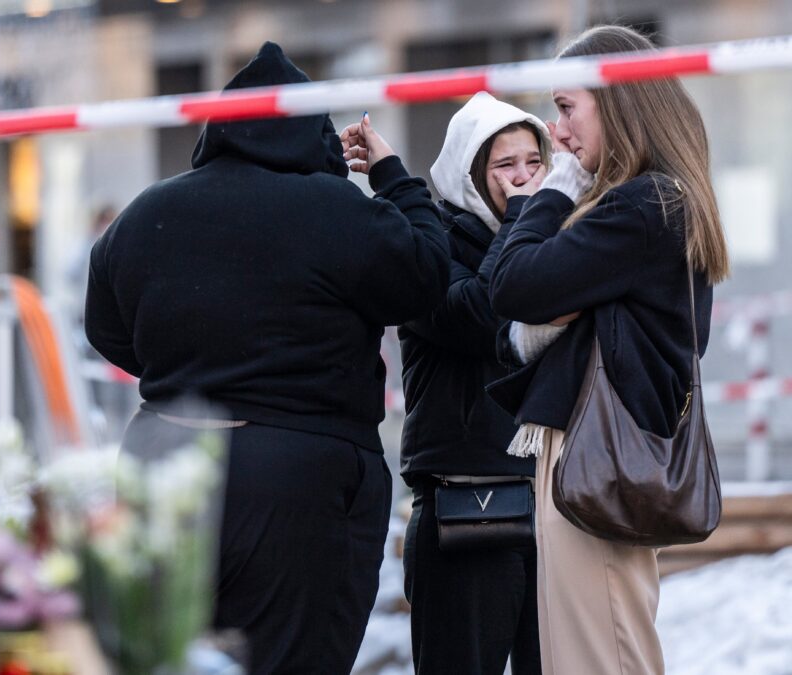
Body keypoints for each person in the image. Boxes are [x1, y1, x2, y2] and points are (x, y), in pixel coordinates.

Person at [84, 42, 450, 674]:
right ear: (314, 134)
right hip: (297, 480)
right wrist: (392, 175)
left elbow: (107, 329)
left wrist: (191, 371)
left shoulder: (146, 213)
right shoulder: (333, 209)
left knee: (165, 656)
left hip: (161, 463)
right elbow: (425, 274)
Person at [486, 25, 731, 675]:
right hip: (594, 456)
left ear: (619, 103)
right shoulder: (656, 201)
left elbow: (511, 284)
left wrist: (556, 189)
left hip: (598, 458)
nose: (556, 133)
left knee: (600, 657)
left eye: (567, 108)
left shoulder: (643, 205)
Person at [385, 91, 551, 675]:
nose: (525, 179)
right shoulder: (431, 248)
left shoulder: (549, 241)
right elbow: (481, 313)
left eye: (535, 162)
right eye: (506, 166)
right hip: (465, 506)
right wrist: (525, 221)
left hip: (550, 506)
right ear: (471, 174)